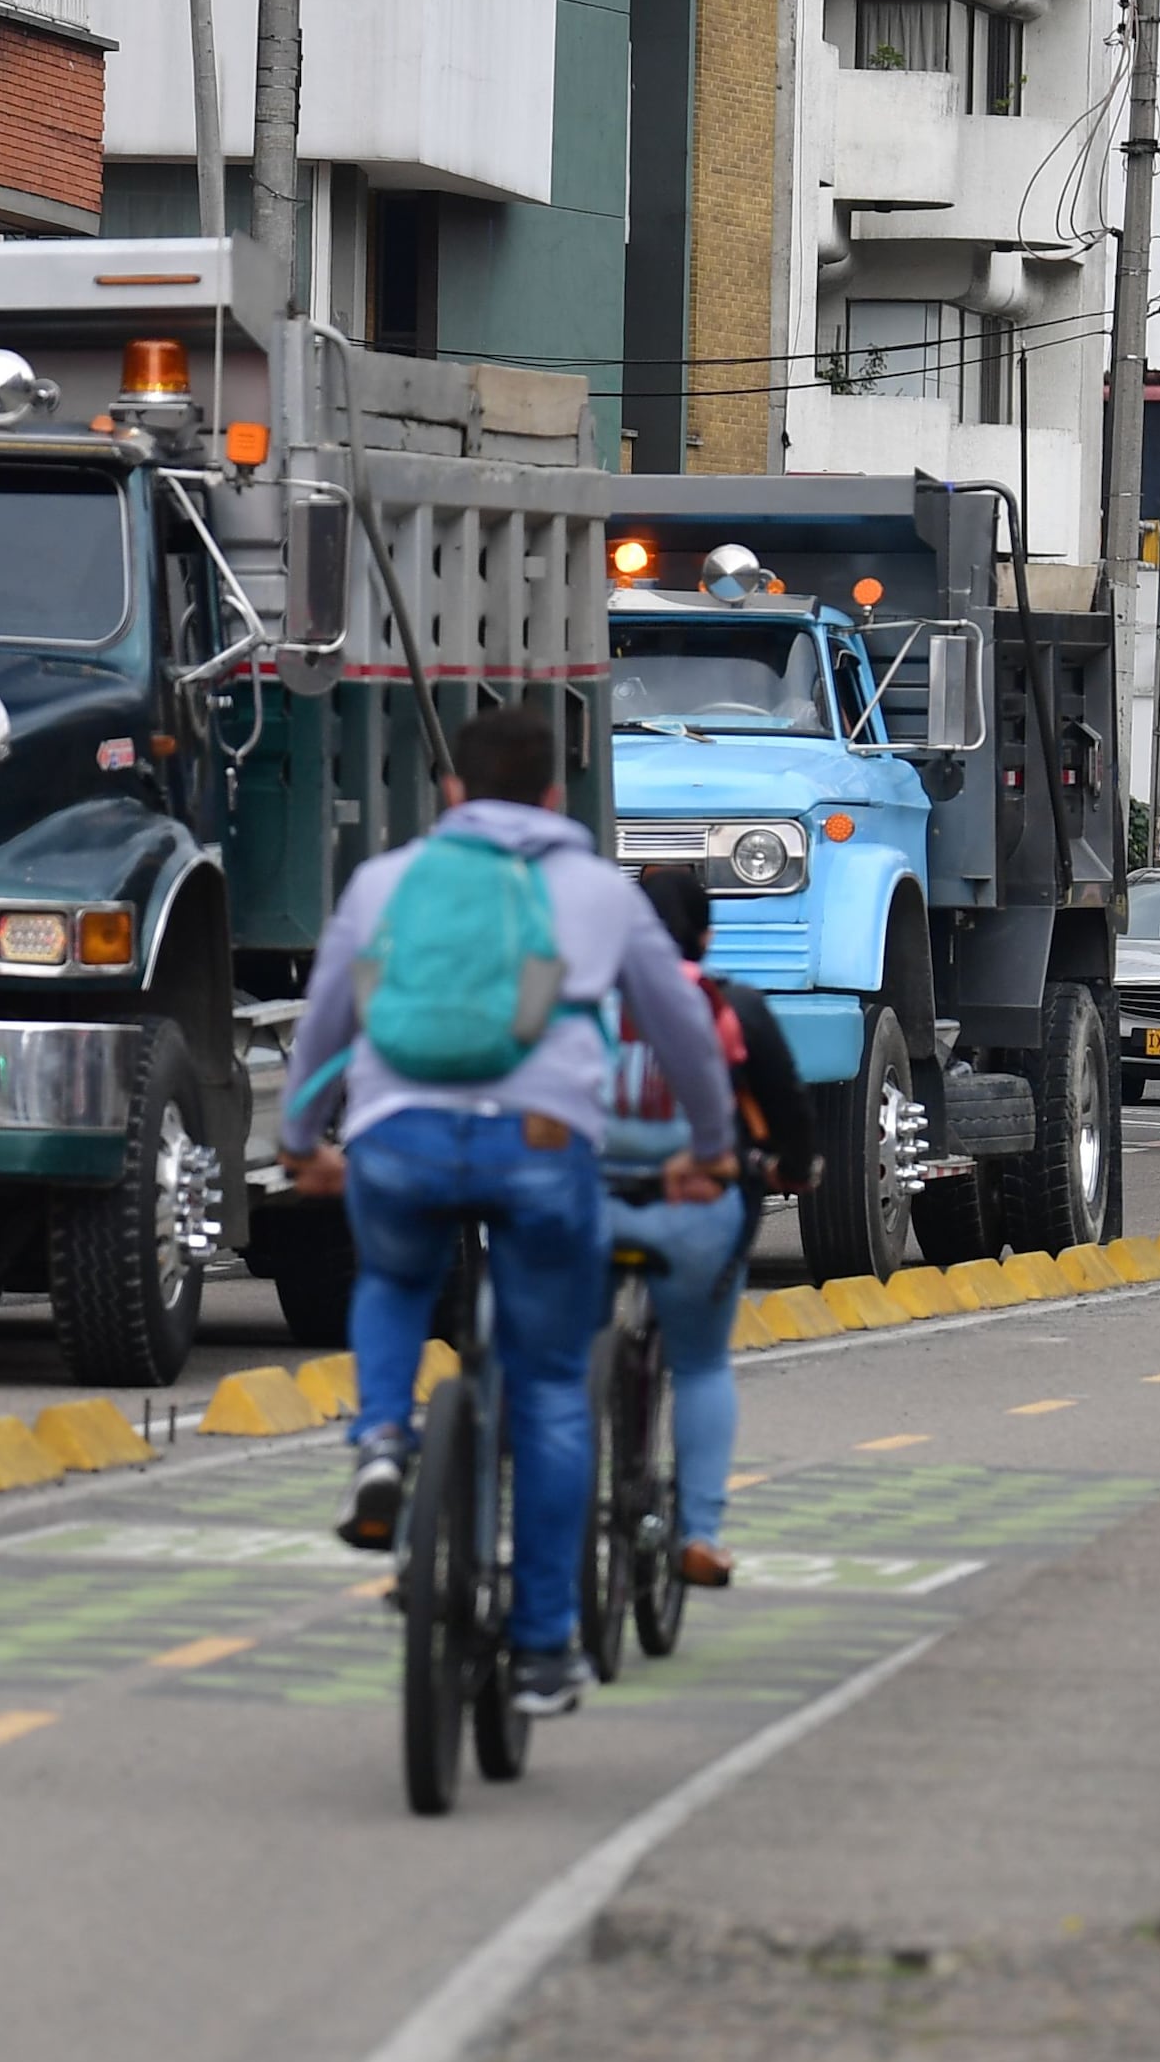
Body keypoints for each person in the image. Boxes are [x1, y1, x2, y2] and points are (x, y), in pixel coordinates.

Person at [282, 704, 735, 1717]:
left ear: (451, 794)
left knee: (395, 1277)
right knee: (543, 1391)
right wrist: (711, 1148)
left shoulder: (383, 881)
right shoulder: (595, 894)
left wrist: (297, 1138)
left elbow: (324, 1019)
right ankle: (538, 1650)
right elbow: (683, 1036)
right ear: (552, 796)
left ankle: (381, 1446)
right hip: (539, 1152)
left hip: (395, 1141)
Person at [602, 865, 810, 1590]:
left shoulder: (580, 1001)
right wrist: (794, 1167)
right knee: (697, 1363)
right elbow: (793, 1129)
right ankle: (699, 1533)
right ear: (706, 935)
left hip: (588, 1209)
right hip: (693, 1214)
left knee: (554, 1368)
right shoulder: (732, 1006)